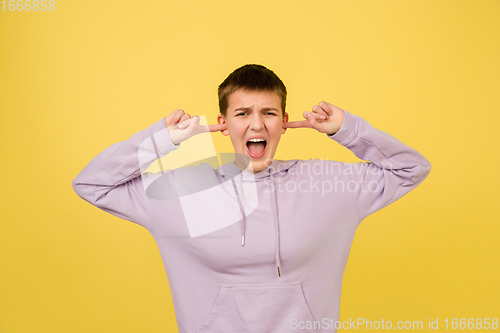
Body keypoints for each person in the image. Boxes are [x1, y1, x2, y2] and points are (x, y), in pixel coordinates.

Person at [72, 64, 431, 332]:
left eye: (268, 113)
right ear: (223, 123)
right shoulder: (185, 191)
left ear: (284, 122)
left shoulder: (327, 184)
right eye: (243, 113)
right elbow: (92, 184)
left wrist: (348, 129)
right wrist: (163, 140)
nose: (256, 125)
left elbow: (410, 169)